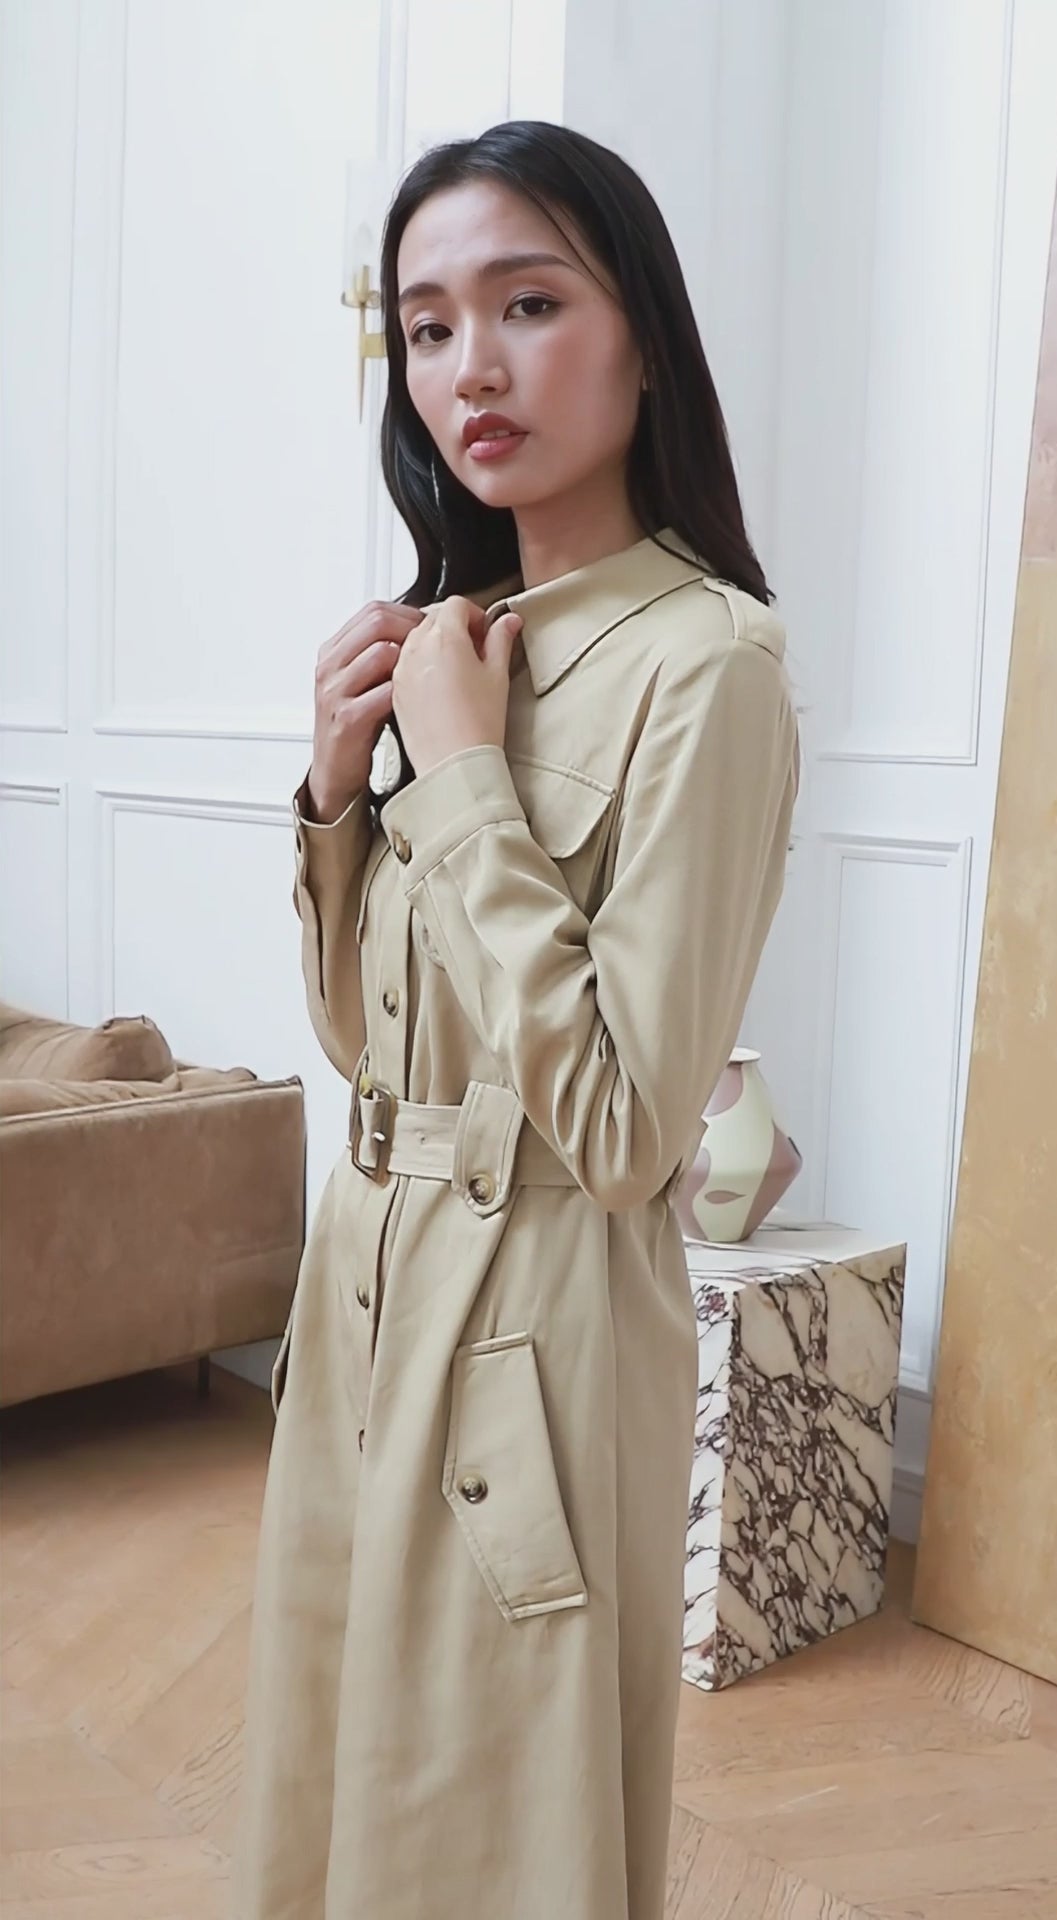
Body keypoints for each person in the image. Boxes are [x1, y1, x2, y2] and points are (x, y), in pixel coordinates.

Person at [232, 119, 799, 1920]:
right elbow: (372, 1052)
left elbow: (626, 1135)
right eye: (427, 326)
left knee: (485, 1823)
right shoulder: (452, 639)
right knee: (333, 1774)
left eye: (528, 304)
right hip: (361, 1289)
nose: (470, 366)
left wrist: (466, 779)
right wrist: (341, 793)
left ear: (643, 337)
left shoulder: (708, 664)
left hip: (537, 1324)